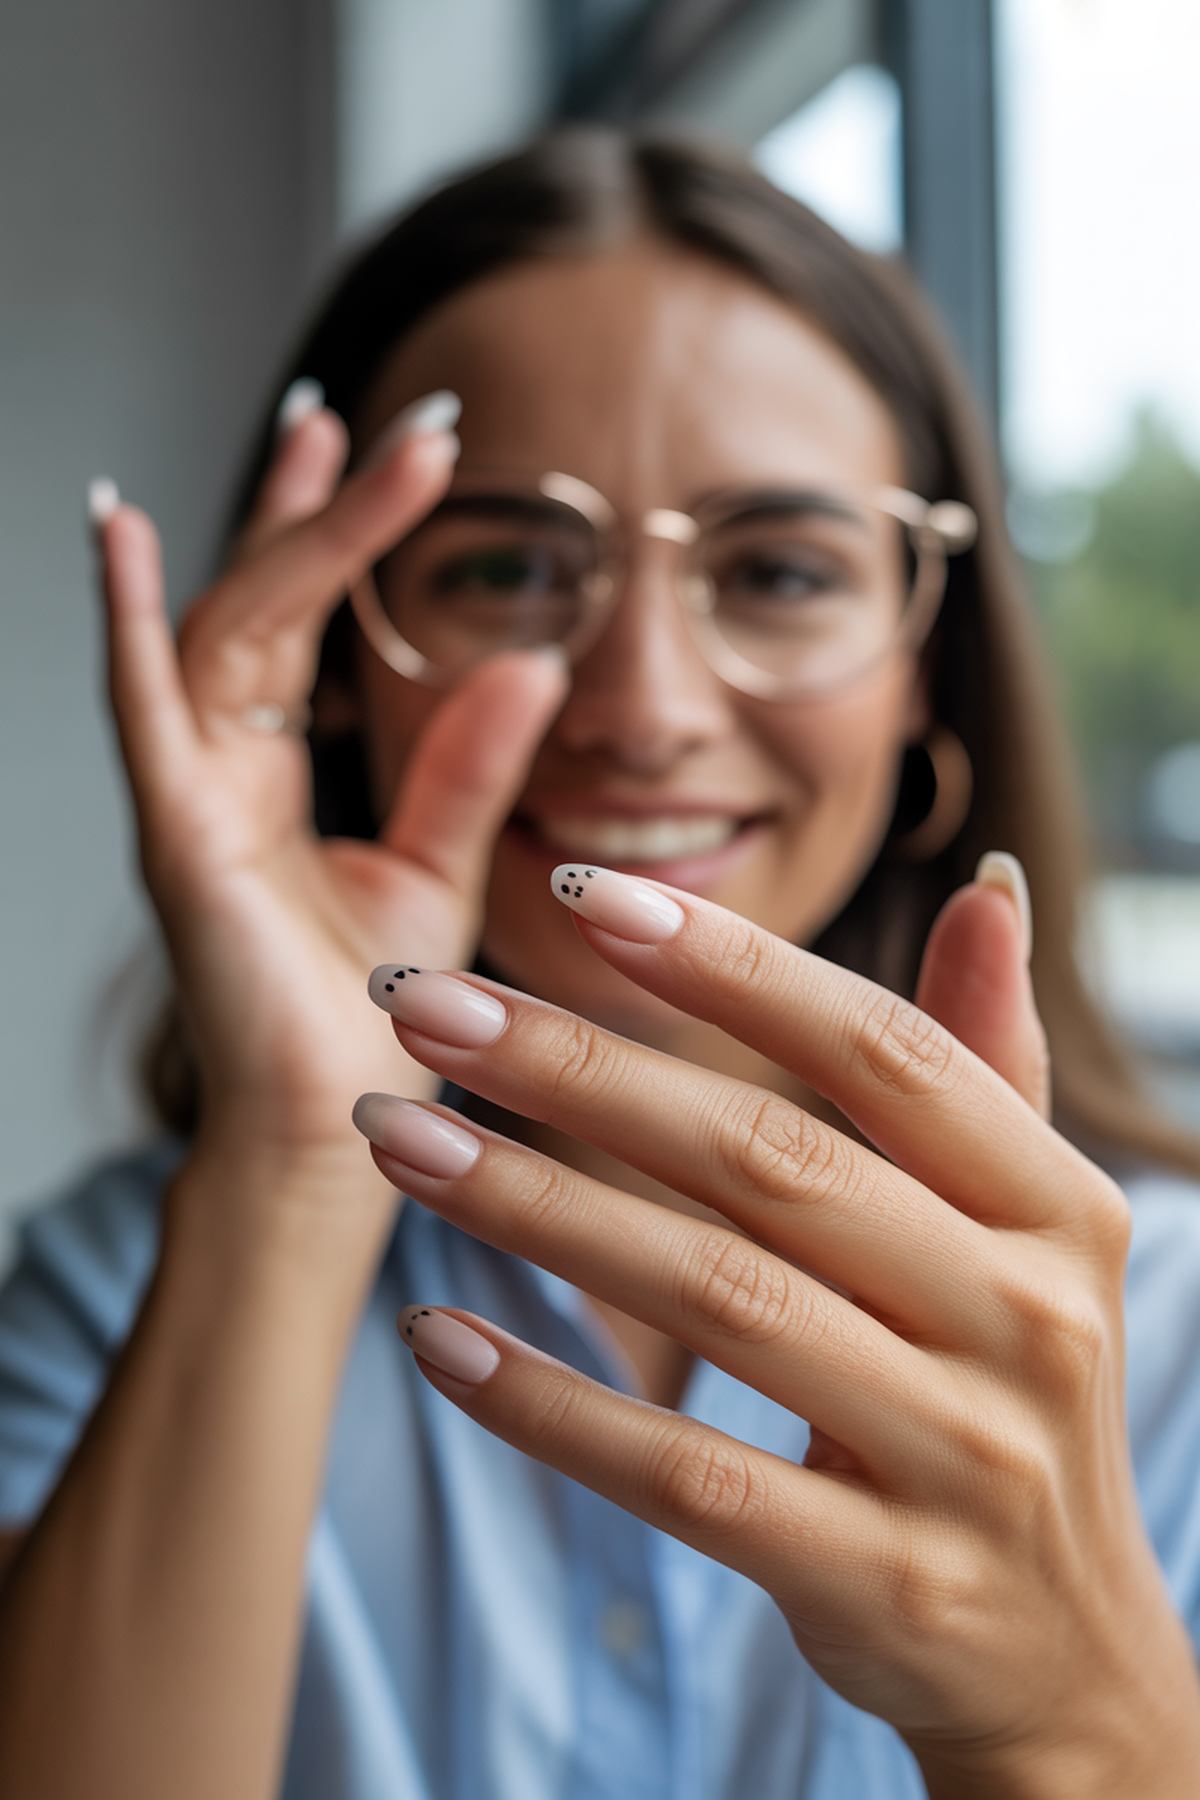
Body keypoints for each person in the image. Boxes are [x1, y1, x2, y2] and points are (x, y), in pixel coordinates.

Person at [0, 129, 1199, 1799]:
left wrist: (1076, 1721)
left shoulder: (1174, 1324)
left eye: (779, 571)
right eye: (506, 568)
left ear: (929, 666)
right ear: (335, 656)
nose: (641, 706)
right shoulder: (117, 1292)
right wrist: (290, 1158)